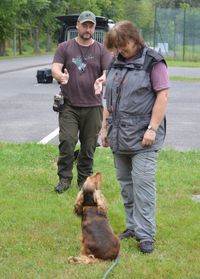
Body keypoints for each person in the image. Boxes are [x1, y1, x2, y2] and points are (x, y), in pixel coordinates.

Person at [101, 21, 169, 253]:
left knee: (143, 186)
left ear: (135, 39)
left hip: (143, 139)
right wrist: (104, 129)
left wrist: (152, 128)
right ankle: (132, 226)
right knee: (126, 186)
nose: (121, 50)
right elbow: (109, 101)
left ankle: (146, 234)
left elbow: (163, 96)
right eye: (117, 47)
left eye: (124, 45)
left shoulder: (153, 62)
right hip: (119, 136)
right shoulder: (115, 62)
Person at [52, 11, 112, 193]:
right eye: (84, 25)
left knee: (88, 147)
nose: (87, 29)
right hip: (69, 104)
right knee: (67, 142)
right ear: (77, 25)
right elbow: (55, 67)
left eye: (90, 26)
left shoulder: (101, 50)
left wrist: (102, 79)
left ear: (94, 28)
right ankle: (64, 178)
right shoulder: (65, 47)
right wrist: (60, 76)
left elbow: (108, 71)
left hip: (93, 106)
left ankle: (84, 180)